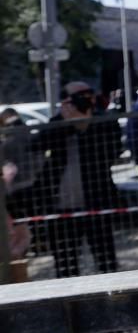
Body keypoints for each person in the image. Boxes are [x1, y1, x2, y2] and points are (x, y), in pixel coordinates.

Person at [31, 82, 122, 277]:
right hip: (62, 209)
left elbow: (112, 152)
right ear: (66, 100)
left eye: (89, 93)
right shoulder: (56, 122)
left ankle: (114, 304)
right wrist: (66, 124)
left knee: (107, 262)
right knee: (66, 266)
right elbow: (36, 146)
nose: (86, 98)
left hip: (96, 205)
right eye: (80, 95)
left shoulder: (104, 121)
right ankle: (69, 306)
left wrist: (84, 125)